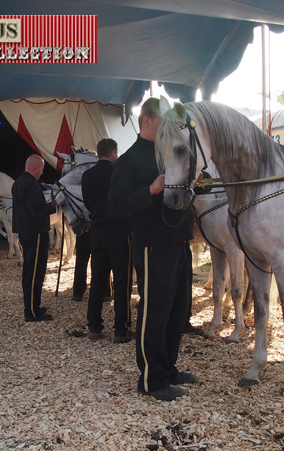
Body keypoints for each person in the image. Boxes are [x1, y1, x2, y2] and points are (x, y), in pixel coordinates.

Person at [108, 98, 196, 401]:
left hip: (179, 242)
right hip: (152, 245)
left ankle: (168, 368)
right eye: (162, 122)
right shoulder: (129, 161)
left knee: (176, 311)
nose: (168, 128)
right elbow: (115, 206)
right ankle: (150, 379)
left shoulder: (167, 152)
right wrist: (150, 191)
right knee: (154, 313)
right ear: (146, 120)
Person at [81, 138, 133, 343]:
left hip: (97, 233)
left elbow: (87, 203)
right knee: (122, 282)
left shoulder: (87, 175)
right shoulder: (118, 173)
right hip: (119, 232)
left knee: (97, 281)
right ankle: (121, 329)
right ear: (113, 153)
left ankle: (94, 327)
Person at [12, 154, 55, 322]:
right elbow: (36, 210)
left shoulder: (18, 183)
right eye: (42, 169)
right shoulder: (30, 185)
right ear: (35, 168)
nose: (42, 173)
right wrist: (53, 204)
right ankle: (31, 311)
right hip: (35, 232)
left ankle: (34, 306)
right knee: (35, 272)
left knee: (31, 270)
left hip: (26, 231)